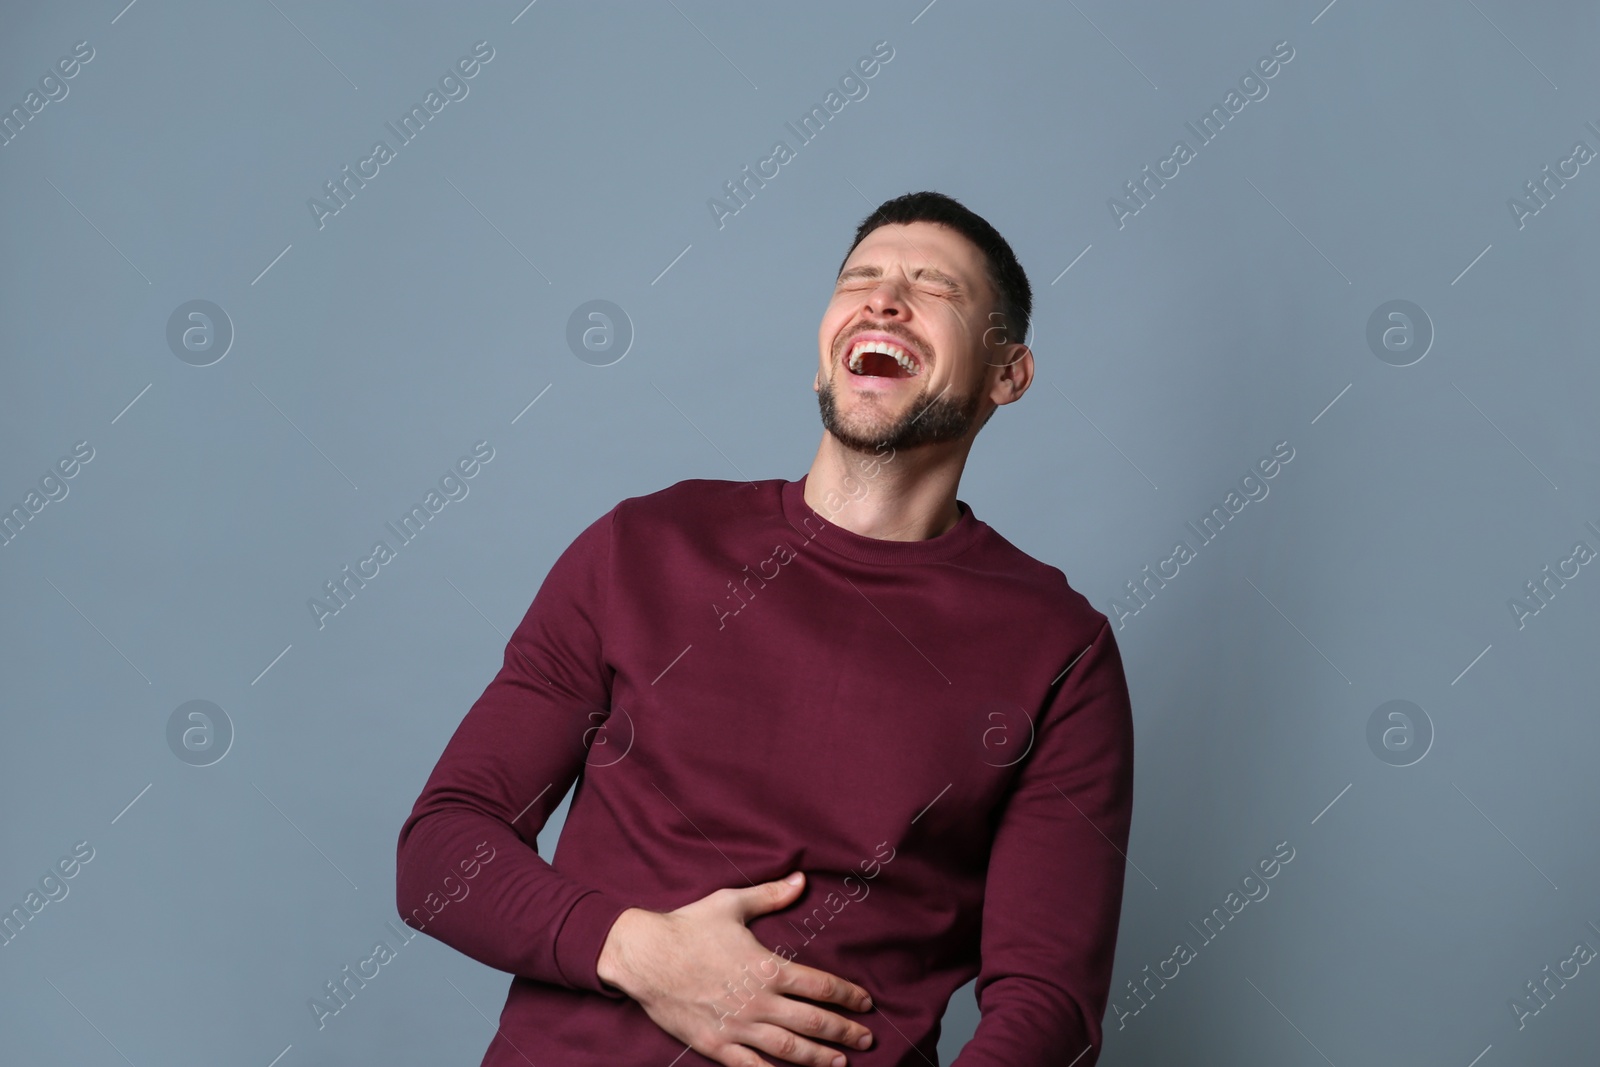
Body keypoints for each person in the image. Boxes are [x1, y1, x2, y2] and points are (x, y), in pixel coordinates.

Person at [396, 191, 1135, 1066]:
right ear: (824, 346)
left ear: (1008, 373)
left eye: (934, 287)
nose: (885, 298)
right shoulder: (643, 546)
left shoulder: (1058, 648)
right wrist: (636, 950)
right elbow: (442, 850)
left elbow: (1049, 1003)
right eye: (860, 277)